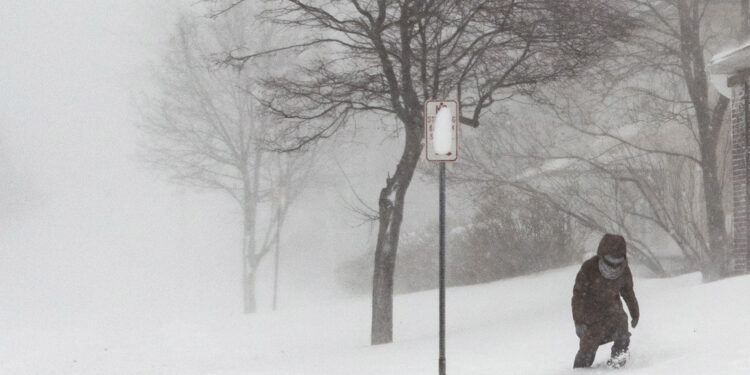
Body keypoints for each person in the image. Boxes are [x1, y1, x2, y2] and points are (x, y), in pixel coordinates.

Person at [571, 233, 639, 368]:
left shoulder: (624, 270)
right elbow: (578, 296)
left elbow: (628, 292)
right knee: (588, 348)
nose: (614, 265)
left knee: (622, 334)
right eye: (610, 260)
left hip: (613, 310)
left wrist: (634, 312)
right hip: (591, 314)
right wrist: (578, 320)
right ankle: (580, 370)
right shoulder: (589, 268)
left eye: (618, 261)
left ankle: (619, 362)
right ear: (602, 255)